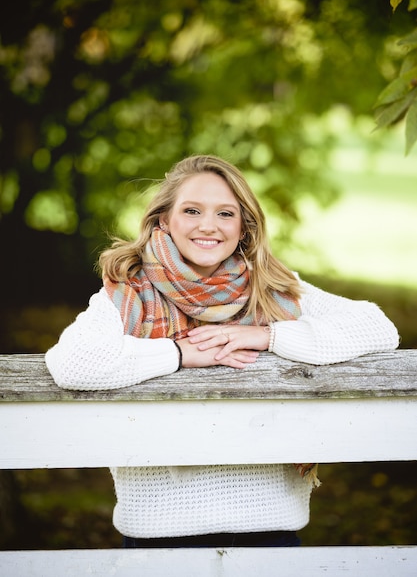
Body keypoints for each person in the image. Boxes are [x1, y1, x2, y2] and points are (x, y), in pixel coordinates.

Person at [45, 154, 399, 548]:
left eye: (226, 214)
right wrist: (178, 353)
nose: (208, 226)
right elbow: (73, 363)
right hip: (160, 528)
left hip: (269, 525)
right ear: (165, 219)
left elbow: (377, 326)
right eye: (192, 210)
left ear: (243, 226)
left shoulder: (271, 288)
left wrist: (268, 337)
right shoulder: (131, 289)